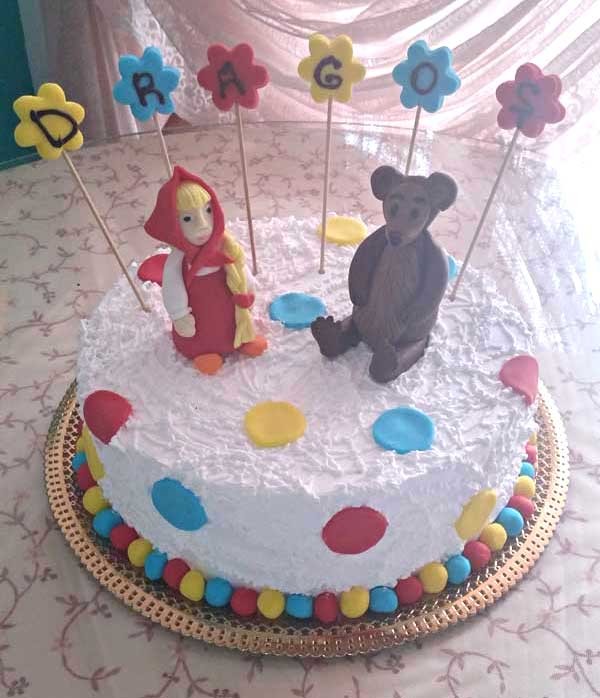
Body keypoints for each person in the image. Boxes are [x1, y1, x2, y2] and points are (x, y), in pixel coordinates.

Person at [145, 165, 267, 374]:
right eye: (187, 218)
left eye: (208, 211)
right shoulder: (179, 261)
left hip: (230, 311)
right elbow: (173, 288)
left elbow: (238, 269)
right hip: (200, 322)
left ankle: (242, 337)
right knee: (204, 334)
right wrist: (179, 315)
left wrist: (247, 290)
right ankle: (203, 352)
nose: (202, 224)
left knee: (232, 322)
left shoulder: (226, 246)